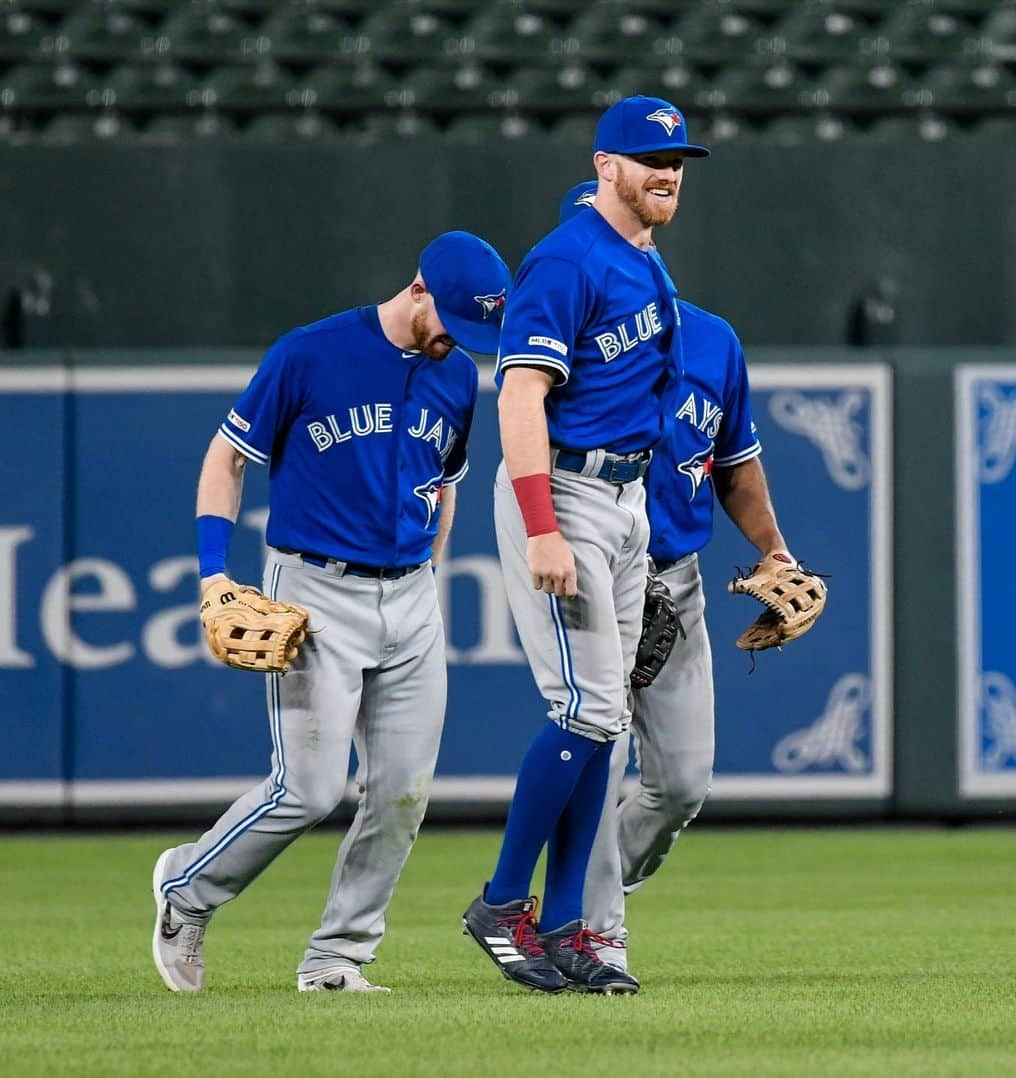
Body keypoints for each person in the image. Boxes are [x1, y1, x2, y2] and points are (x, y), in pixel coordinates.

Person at [151, 231, 511, 994]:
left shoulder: (458, 379)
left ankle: (336, 959)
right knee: (308, 788)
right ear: (418, 290)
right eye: (451, 321)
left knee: (403, 793)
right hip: (314, 589)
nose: (458, 342)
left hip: (410, 593)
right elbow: (227, 459)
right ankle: (186, 888)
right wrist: (214, 578)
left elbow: (444, 480)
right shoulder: (309, 353)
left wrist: (430, 570)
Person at [461, 97, 709, 995]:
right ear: (606, 164)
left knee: (601, 720)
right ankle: (500, 904)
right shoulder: (567, 258)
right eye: (650, 157)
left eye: (678, 157)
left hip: (626, 497)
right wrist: (541, 525)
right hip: (565, 489)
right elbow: (520, 395)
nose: (668, 171)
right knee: (586, 709)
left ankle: (565, 925)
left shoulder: (644, 258)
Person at [558, 181, 794, 979]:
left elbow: (735, 464)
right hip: (594, 566)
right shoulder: (564, 346)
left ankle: (571, 903)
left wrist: (773, 549)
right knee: (603, 751)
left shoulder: (712, 342)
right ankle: (594, 930)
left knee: (682, 783)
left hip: (677, 578)